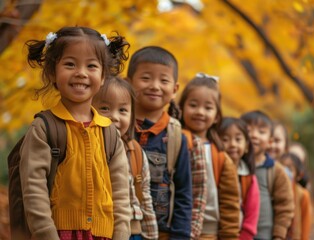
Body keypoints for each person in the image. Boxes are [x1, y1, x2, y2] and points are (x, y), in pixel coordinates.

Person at [20, 26, 131, 240]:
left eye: (91, 66)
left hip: (103, 234)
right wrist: (45, 233)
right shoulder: (45, 127)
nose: (81, 72)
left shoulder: (109, 132)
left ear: (103, 76)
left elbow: (120, 192)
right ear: (52, 72)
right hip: (58, 234)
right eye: (70, 64)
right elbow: (34, 190)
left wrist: (121, 234)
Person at [126, 46, 192, 239]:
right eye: (146, 78)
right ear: (128, 83)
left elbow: (184, 193)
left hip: (161, 232)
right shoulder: (117, 127)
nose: (155, 86)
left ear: (174, 90)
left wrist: (180, 235)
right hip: (118, 228)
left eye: (163, 80)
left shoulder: (176, 136)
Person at [93, 76, 158, 240]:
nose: (114, 116)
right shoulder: (86, 148)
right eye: (105, 108)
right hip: (95, 229)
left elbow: (144, 195)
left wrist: (151, 235)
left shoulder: (135, 151)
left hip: (132, 230)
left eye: (122, 110)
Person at [179, 73, 240, 239]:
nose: (200, 112)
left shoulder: (220, 156)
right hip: (174, 227)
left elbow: (229, 202)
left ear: (217, 116)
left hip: (208, 232)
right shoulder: (173, 142)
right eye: (193, 105)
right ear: (181, 108)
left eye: (208, 108)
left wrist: (229, 235)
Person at [240, 110, 294, 240]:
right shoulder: (235, 166)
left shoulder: (276, 171)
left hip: (265, 235)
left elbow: (285, 206)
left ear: (270, 141)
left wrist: (279, 235)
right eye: (248, 130)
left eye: (261, 132)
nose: (254, 135)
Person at [218, 117, 260, 240]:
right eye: (225, 139)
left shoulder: (248, 178)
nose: (232, 144)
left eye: (238, 139)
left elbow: (252, 214)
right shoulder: (214, 170)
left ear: (246, 146)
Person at [279, 153, 311, 240]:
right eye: (281, 167)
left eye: (289, 168)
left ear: (299, 175)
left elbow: (305, 223)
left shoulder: (303, 194)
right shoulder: (275, 191)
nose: (284, 171)